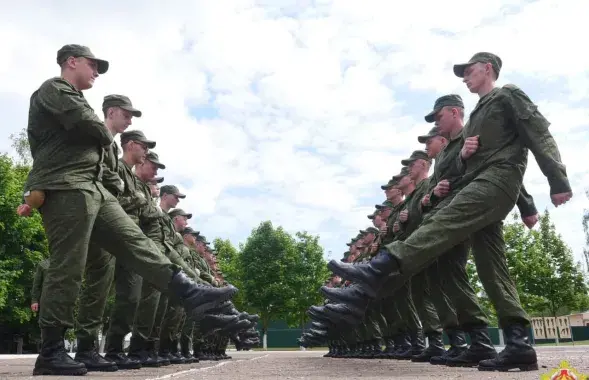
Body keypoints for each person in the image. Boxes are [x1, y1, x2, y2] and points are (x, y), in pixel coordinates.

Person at [326, 52, 572, 372]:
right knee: (491, 269)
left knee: (441, 224)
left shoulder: (506, 96)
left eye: (470, 71)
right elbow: (461, 169)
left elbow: (537, 132)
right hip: (482, 183)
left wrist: (557, 180)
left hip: (495, 182)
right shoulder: (476, 119)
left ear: (488, 69)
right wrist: (466, 154)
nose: (466, 77)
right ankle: (518, 344)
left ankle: (381, 265)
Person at [26, 44, 237, 377]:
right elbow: (88, 125)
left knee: (135, 242)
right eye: (92, 65)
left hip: (93, 189)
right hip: (67, 186)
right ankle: (51, 350)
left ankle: (188, 290)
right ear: (71, 62)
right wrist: (100, 137)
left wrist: (107, 161)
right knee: (69, 267)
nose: (95, 72)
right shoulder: (54, 89)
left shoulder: (79, 103)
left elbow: (109, 171)